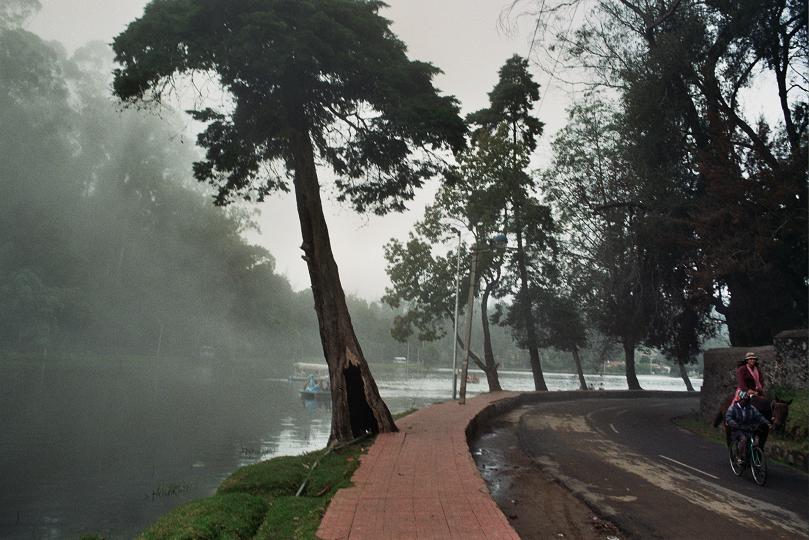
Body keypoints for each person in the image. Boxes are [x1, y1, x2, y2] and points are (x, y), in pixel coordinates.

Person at [725, 390, 771, 464]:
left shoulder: (751, 408)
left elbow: (759, 416)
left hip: (748, 429)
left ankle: (750, 458)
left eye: (748, 400)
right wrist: (734, 423)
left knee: (754, 442)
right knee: (743, 440)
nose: (746, 402)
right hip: (737, 430)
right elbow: (728, 417)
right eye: (745, 400)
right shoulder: (733, 408)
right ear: (741, 400)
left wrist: (767, 422)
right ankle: (739, 457)